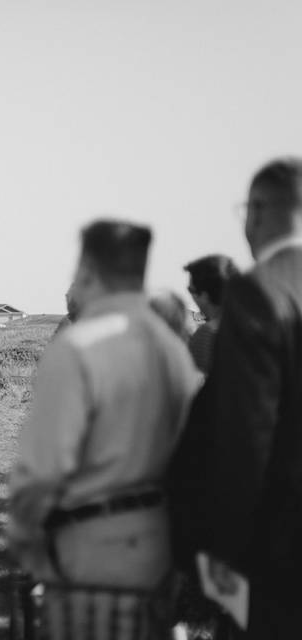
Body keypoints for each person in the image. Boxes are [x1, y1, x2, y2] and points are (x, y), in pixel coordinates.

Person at [7, 220, 200, 638]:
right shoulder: (172, 351)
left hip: (91, 543)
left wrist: (25, 535)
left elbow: (44, 465)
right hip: (161, 539)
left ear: (89, 269)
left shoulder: (77, 348)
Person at [172, 158, 302, 638]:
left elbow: (244, 439)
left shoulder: (259, 290)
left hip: (278, 551)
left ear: (258, 211)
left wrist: (219, 562)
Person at [182, 254, 239, 373]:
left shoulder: (206, 335)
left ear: (204, 296)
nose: (191, 296)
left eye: (191, 290)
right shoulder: (255, 326)